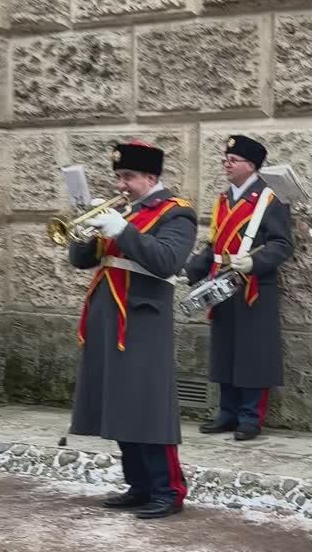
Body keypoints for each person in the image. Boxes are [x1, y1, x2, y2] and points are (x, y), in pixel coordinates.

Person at [69, 140, 197, 519]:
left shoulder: (177, 213)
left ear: (151, 177)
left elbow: (167, 260)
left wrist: (122, 230)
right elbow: (81, 260)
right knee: (120, 403)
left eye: (129, 177)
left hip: (144, 317)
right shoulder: (123, 210)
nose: (121, 185)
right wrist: (88, 227)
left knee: (148, 406)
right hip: (107, 315)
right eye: (119, 177)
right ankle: (138, 484)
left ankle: (168, 489)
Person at [185, 135, 294, 441]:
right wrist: (191, 270)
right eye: (225, 159)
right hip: (222, 282)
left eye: (233, 160)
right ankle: (227, 412)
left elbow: (283, 245)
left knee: (252, 353)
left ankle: (250, 417)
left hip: (253, 285)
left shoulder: (270, 199)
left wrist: (254, 263)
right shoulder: (223, 199)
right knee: (225, 349)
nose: (226, 165)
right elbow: (215, 244)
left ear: (252, 165)